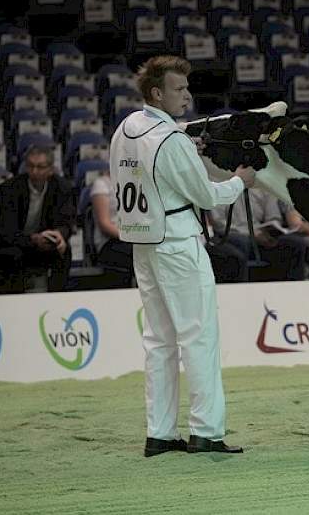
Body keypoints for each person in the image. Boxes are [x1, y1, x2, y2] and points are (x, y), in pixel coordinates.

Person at [109, 55, 256, 456]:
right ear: (157, 93)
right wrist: (239, 182)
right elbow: (207, 195)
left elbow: (150, 169)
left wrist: (188, 149)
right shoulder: (171, 139)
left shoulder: (126, 128)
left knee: (159, 341)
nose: (187, 95)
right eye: (179, 89)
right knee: (199, 337)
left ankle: (159, 433)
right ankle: (206, 431)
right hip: (177, 242)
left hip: (144, 241)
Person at [0, 146, 74, 294]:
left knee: (64, 252)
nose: (34, 171)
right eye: (31, 166)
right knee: (11, 255)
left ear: (51, 169)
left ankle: (57, 300)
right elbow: (6, 231)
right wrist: (33, 240)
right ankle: (14, 303)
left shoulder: (62, 187)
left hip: (44, 241)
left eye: (40, 167)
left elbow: (66, 221)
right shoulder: (10, 188)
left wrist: (59, 235)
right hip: (12, 242)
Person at [90, 173, 133, 288]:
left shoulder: (138, 181)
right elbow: (105, 224)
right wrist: (132, 236)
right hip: (111, 241)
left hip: (135, 239)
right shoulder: (101, 185)